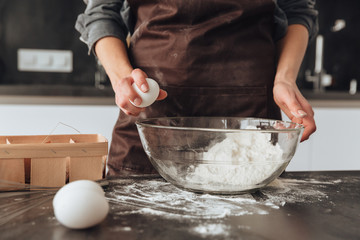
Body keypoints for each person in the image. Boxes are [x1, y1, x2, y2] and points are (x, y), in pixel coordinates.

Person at [76, 0, 318, 175]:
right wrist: (123, 78)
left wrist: (285, 78)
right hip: (154, 120)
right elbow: (101, 12)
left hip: (249, 119)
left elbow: (296, 9)